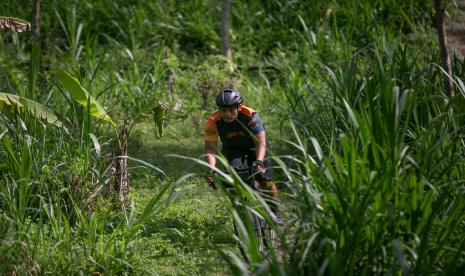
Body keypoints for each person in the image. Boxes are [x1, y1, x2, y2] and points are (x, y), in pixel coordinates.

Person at [204, 88, 278, 203]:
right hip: (232, 149)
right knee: (233, 182)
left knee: (263, 179)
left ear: (239, 107)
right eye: (223, 110)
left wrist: (259, 161)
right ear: (219, 109)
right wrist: (211, 168)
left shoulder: (250, 116)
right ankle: (241, 212)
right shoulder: (213, 121)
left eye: (232, 110)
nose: (227, 114)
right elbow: (210, 149)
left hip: (255, 146)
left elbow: (260, 141)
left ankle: (275, 212)